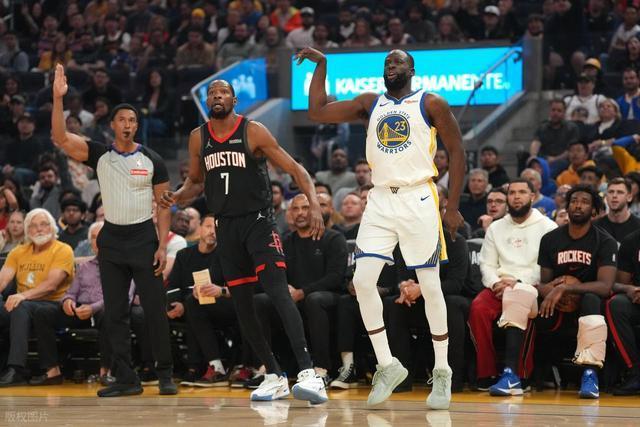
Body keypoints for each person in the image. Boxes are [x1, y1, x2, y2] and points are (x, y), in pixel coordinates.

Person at [295, 47, 465, 409]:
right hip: (381, 198)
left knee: (430, 285)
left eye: (398, 61)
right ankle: (388, 365)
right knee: (361, 282)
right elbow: (316, 111)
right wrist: (322, 65)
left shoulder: (431, 102)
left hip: (419, 196)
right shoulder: (370, 103)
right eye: (387, 62)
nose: (392, 65)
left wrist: (452, 206)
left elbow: (457, 151)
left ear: (412, 69)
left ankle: (442, 370)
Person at [162, 79, 327, 404]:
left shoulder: (252, 131)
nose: (217, 96)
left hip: (258, 222)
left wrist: (315, 205)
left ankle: (309, 373)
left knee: (278, 292)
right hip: (226, 227)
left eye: (223, 92)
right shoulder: (198, 137)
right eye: (212, 93)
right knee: (242, 304)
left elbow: (296, 170)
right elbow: (195, 181)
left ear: (234, 100)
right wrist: (177, 196)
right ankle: (274, 375)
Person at [51, 64, 177, 397]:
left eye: (132, 120)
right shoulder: (100, 155)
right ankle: (126, 378)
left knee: (154, 310)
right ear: (112, 125)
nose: (127, 124)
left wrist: (162, 246)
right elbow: (60, 138)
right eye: (122, 119)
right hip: (112, 241)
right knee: (115, 313)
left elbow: (164, 205)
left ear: (137, 125)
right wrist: (58, 98)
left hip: (144, 239)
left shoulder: (152, 160)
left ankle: (165, 374)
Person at [469, 179, 557, 395]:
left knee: (520, 303)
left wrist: (518, 282)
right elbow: (487, 264)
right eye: (512, 192)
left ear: (533, 197)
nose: (516, 197)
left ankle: (519, 375)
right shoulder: (496, 227)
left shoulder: (548, 227)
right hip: (499, 285)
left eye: (522, 192)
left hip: (530, 285)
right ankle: (486, 373)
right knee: (478, 308)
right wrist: (495, 283)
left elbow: (546, 267)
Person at [535, 184, 617, 399]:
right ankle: (523, 373)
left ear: (594, 211)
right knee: (532, 302)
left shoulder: (605, 241)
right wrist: (550, 289)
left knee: (591, 299)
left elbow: (605, 286)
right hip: (559, 303)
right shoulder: (550, 239)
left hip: (590, 303)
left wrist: (567, 287)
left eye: (585, 202)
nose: (578, 205)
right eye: (574, 201)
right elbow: (545, 282)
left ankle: (590, 374)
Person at [31, 221, 113, 386]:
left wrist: (93, 308)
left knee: (109, 314)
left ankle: (106, 371)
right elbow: (71, 293)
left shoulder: (122, 266)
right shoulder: (84, 267)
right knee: (43, 312)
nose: (98, 241)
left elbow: (123, 297)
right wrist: (68, 301)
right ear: (90, 242)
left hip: (103, 310)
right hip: (80, 310)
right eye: (94, 237)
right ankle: (52, 371)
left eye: (102, 236)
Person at [0, 209, 74, 386]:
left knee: (20, 306)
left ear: (52, 228)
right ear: (27, 230)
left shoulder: (63, 249)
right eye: (33, 226)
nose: (39, 229)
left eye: (43, 224)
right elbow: (2, 280)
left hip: (51, 305)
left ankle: (16, 369)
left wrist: (22, 296)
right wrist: (20, 297)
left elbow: (51, 285)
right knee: (16, 307)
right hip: (21, 305)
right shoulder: (18, 252)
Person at [606, 227, 640, 395]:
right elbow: (618, 283)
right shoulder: (632, 240)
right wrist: (630, 289)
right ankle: (634, 371)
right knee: (616, 304)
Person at [594, 178, 640, 243]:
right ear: (606, 197)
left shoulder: (638, 227)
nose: (614, 196)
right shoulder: (595, 227)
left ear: (629, 197)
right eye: (611, 192)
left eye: (620, 192)